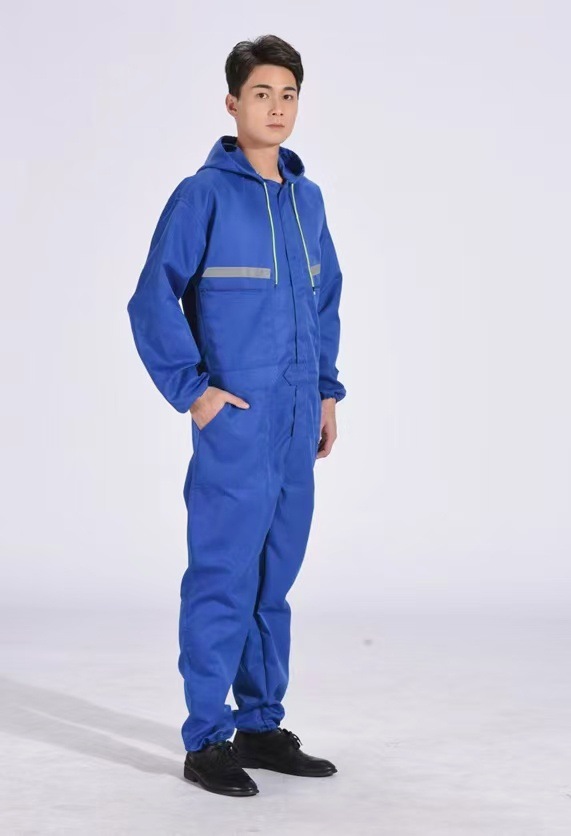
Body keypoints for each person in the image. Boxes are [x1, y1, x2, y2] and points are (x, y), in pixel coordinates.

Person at [126, 34, 347, 797]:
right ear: (232, 103)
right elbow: (152, 297)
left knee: (272, 580)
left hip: (296, 421)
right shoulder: (203, 195)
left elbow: (324, 302)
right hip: (237, 422)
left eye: (288, 94)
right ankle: (206, 739)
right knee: (223, 575)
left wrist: (325, 393)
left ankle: (259, 723)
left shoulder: (306, 200)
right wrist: (194, 391)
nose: (276, 108)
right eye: (261, 94)